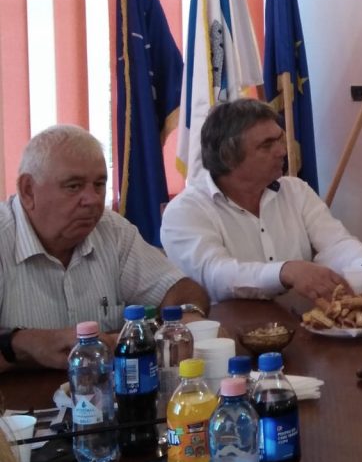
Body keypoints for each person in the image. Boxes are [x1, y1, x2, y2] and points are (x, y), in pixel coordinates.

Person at [0, 126, 209, 371]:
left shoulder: (111, 230)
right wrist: (22, 343)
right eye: (73, 186)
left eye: (99, 185)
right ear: (28, 190)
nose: (92, 200)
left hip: (104, 390)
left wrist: (186, 315)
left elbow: (178, 287)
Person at [161, 99, 362, 303]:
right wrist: (284, 272)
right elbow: (215, 276)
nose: (282, 151)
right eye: (267, 145)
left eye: (279, 139)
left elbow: (335, 244)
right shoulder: (186, 211)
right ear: (228, 157)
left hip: (299, 321)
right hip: (227, 326)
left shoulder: (296, 191)